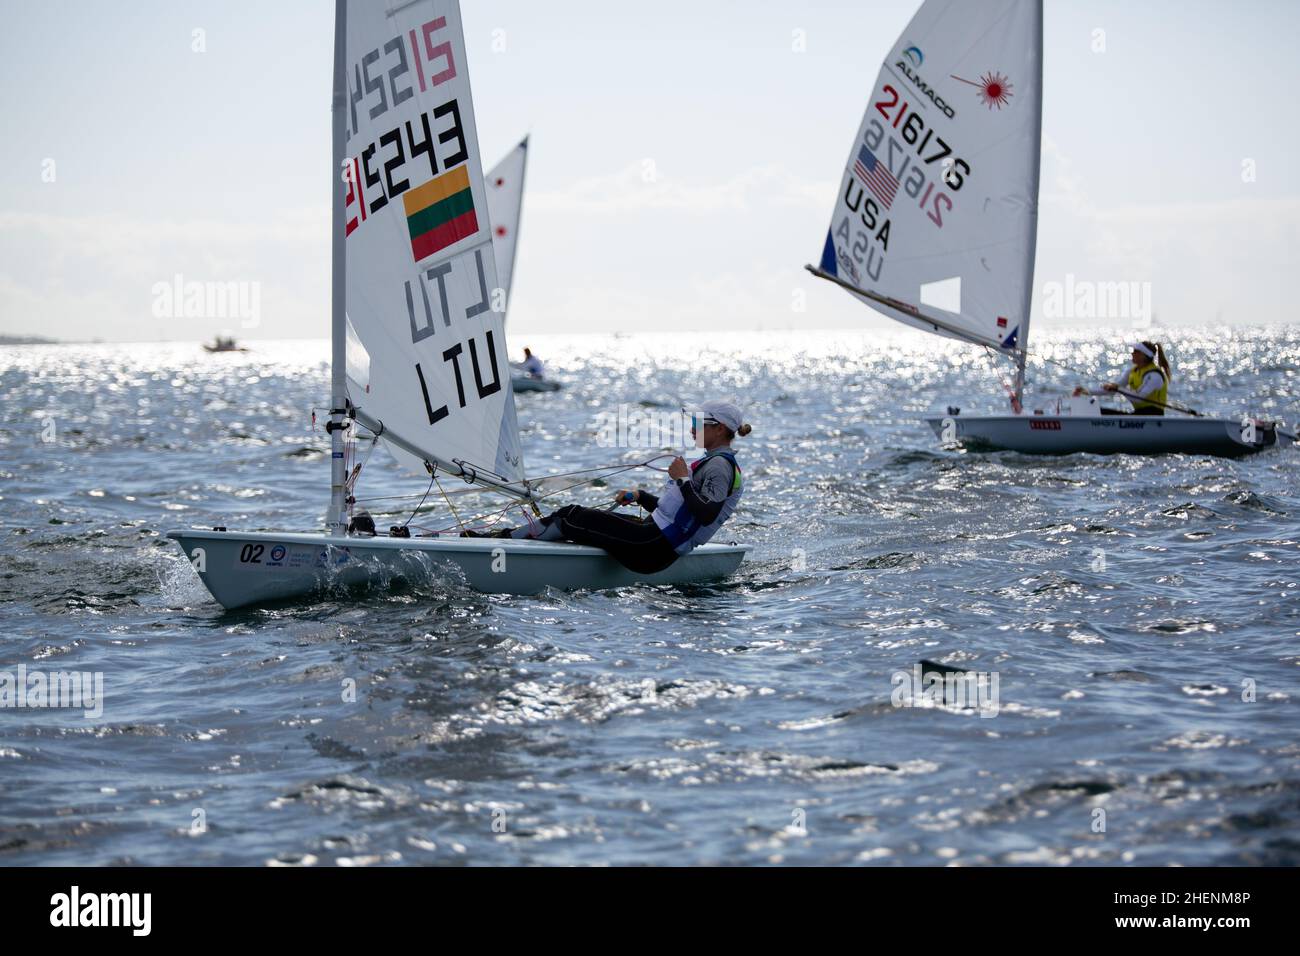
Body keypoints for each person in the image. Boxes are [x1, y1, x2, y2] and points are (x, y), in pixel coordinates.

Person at [465, 400, 750, 574]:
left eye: (698, 422)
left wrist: (682, 479)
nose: (691, 428)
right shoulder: (712, 462)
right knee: (570, 512)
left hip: (653, 548)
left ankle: (503, 545)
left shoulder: (719, 466)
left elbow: (706, 514)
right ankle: (504, 537)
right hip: (653, 539)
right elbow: (677, 514)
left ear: (720, 428)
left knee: (572, 518)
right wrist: (640, 497)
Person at [1073, 341, 1171, 415]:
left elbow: (1139, 398)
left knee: (1100, 413)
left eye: (1135, 352)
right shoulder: (1132, 372)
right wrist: (1086, 391)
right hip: (1139, 415)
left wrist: (1118, 389)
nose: (1132, 354)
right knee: (1096, 411)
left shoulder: (1154, 375)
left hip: (1153, 416)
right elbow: (1113, 390)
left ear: (1144, 355)